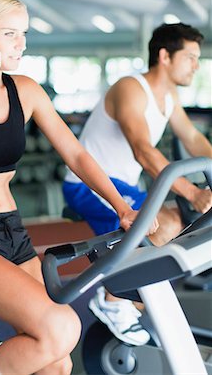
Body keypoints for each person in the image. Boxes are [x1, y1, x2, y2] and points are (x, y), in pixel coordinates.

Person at [0, 0, 155, 375]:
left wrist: (121, 206)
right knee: (61, 328)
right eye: (10, 34)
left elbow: (77, 154)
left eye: (25, 34)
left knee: (57, 362)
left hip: (13, 232)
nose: (22, 44)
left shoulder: (26, 90)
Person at [63, 22, 212, 347]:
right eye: (190, 57)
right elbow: (143, 151)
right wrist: (192, 192)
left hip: (127, 187)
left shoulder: (168, 96)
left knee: (176, 225)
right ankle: (112, 299)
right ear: (164, 56)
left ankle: (136, 300)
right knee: (165, 224)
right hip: (91, 186)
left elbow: (192, 137)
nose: (196, 65)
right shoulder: (130, 89)